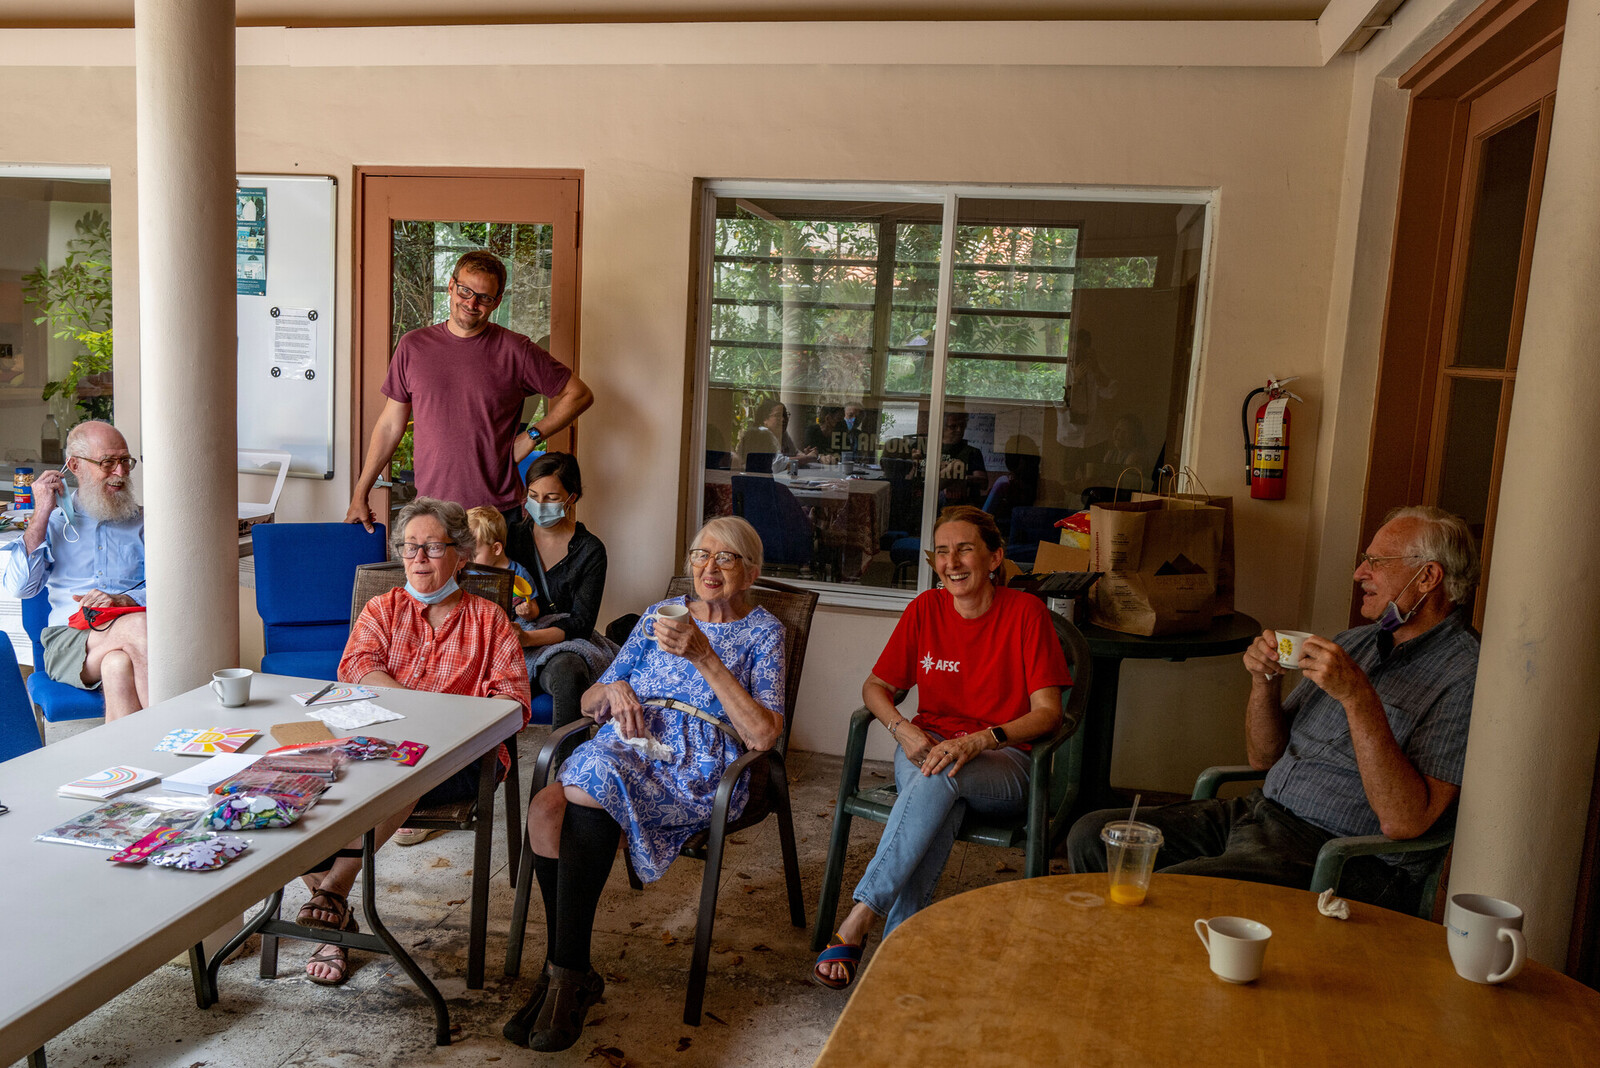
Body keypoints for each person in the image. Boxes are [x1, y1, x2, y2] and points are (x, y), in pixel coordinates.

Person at [1067, 506, 1480, 913]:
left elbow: (1405, 822)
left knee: (1176, 892)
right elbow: (1264, 757)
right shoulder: (1355, 644)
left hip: (1339, 855)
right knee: (1093, 835)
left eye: (1376, 562)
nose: (1360, 574)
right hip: (1261, 813)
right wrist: (1264, 681)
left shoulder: (1465, 676)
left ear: (1428, 576)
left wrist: (1358, 699)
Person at [503, 516, 786, 1052]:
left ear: (749, 572)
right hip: (630, 743)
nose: (708, 568)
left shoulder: (764, 632)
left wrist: (703, 654)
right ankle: (569, 969)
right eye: (700, 555)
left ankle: (564, 978)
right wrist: (617, 692)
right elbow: (591, 700)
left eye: (725, 558)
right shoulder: (659, 615)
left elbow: (764, 735)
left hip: (700, 760)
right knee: (546, 807)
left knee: (585, 785)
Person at [812, 506, 1071, 989]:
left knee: (940, 773)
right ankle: (897, 957)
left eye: (965, 549)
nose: (952, 562)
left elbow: (1048, 713)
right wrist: (901, 729)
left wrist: (980, 740)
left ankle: (860, 916)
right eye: (943, 551)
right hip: (926, 748)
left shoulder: (1026, 614)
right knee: (938, 790)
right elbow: (875, 687)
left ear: (995, 558)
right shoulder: (924, 610)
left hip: (1004, 760)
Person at [296, 497, 530, 983]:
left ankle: (335, 891)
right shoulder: (382, 609)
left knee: (406, 770)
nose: (418, 559)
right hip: (376, 743)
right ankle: (334, 910)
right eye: (409, 548)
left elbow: (513, 703)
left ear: (461, 555)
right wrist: (413, 705)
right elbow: (356, 666)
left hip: (463, 757)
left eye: (431, 548)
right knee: (303, 787)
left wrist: (439, 724)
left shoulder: (489, 621)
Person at [345, 249, 594, 528]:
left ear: (497, 301)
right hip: (430, 511)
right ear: (451, 286)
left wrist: (532, 435)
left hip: (495, 514)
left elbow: (579, 394)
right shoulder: (413, 346)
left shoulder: (516, 350)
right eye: (465, 291)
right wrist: (360, 493)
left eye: (484, 297)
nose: (471, 303)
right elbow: (390, 425)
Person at [0, 420, 149, 721]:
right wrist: (42, 510)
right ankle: (174, 730)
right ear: (74, 466)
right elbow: (19, 588)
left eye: (125, 461)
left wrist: (123, 600)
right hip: (70, 641)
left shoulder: (146, 522)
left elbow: (170, 586)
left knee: (117, 664)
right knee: (141, 627)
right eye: (108, 463)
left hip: (127, 629)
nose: (120, 473)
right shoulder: (53, 523)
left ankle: (127, 765)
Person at [499, 453, 615, 740]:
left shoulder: (590, 550)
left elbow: (582, 623)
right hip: (508, 641)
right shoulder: (510, 539)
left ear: (571, 498)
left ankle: (567, 769)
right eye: (533, 495)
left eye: (551, 497)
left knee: (568, 670)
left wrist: (528, 639)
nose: (539, 505)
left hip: (557, 645)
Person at [736, 397, 817, 472]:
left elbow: (795, 452)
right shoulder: (762, 434)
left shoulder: (782, 433)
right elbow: (777, 465)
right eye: (778, 415)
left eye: (785, 415)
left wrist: (805, 455)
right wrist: (809, 457)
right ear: (765, 420)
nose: (783, 419)